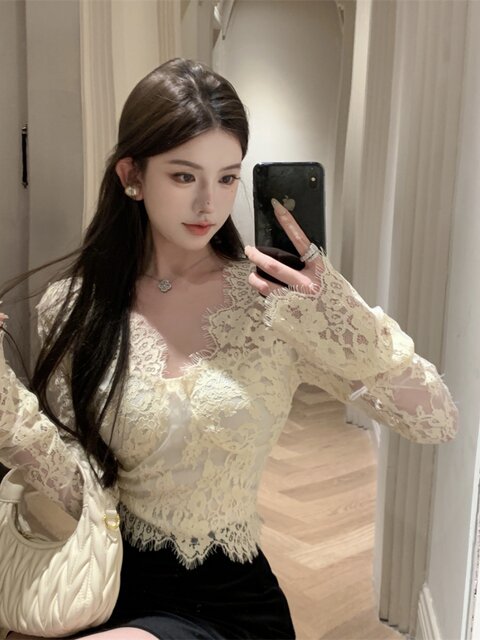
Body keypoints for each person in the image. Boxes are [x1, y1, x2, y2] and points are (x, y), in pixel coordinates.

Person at [0, 58, 458, 640]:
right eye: (184, 177)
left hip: (227, 604)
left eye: (227, 178)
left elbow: (434, 418)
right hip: (98, 581)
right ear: (132, 176)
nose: (209, 205)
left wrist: (350, 325)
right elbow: (74, 483)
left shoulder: (274, 305)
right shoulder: (73, 306)